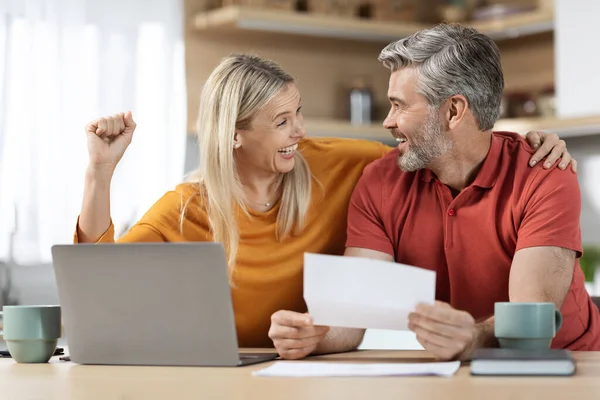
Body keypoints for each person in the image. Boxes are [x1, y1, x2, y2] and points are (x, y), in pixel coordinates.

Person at [76, 53, 573, 353]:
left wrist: (524, 142)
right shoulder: (185, 210)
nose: (301, 132)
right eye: (281, 122)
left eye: (299, 113)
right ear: (233, 136)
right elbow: (100, 292)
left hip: (303, 373)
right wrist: (100, 173)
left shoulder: (340, 165)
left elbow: (436, 145)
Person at [268, 23, 600, 360]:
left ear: (454, 111)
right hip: (457, 369)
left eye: (400, 105)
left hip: (570, 365)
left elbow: (531, 328)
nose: (388, 121)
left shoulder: (543, 176)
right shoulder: (381, 181)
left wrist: (472, 339)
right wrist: (316, 334)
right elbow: (353, 313)